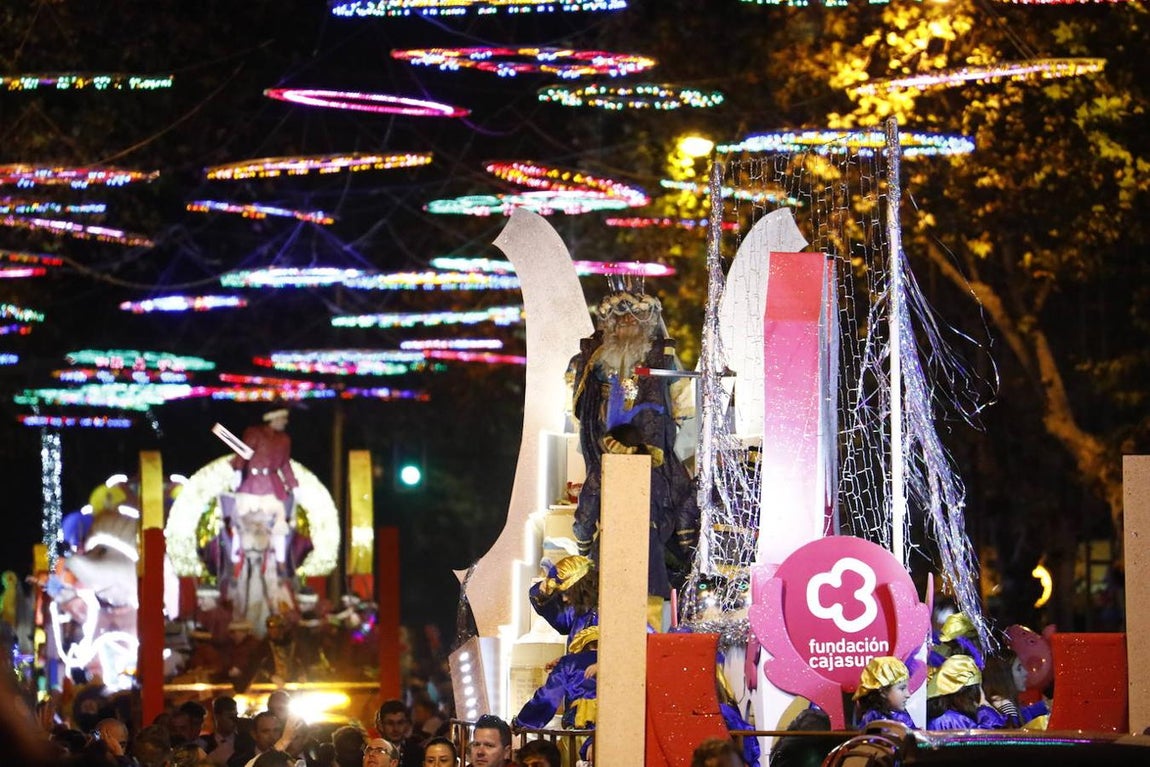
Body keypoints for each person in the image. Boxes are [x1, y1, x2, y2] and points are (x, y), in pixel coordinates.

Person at [568, 284, 699, 626]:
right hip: (605, 458)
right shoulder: (592, 361)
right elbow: (579, 410)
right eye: (619, 317)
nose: (626, 322)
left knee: (677, 502)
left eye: (634, 317)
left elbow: (684, 411)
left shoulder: (663, 358)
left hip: (652, 459)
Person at [228, 408, 299, 636]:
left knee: (280, 523)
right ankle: (236, 553)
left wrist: (293, 484)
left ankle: (279, 561)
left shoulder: (284, 439)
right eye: (281, 418)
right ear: (271, 418)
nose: (284, 422)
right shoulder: (254, 433)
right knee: (239, 522)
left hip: (271, 487)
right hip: (251, 487)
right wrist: (237, 474)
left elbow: (285, 464)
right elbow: (242, 456)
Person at [514, 625, 598, 730]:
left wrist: (520, 722)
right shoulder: (617, 665)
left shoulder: (568, 663)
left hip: (579, 728)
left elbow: (549, 697)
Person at [528, 556, 598, 653]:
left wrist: (565, 663)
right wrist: (542, 593)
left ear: (583, 587)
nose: (564, 599)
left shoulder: (602, 612)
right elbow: (562, 622)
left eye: (567, 594)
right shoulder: (583, 607)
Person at [926, 654, 1005, 730]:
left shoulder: (955, 716)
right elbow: (986, 739)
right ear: (971, 692)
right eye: (979, 688)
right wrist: (984, 706)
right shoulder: (947, 720)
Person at [852, 657, 916, 729]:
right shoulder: (875, 720)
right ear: (883, 691)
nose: (908, 695)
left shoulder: (900, 715)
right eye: (902, 688)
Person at [206, 696, 252, 767]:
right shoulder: (205, 744)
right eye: (230, 717)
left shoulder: (246, 742)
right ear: (217, 717)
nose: (235, 720)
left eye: (236, 716)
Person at [375, 700, 423, 767]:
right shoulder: (371, 753)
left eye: (400, 723)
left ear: (406, 724)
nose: (396, 729)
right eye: (390, 723)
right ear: (380, 726)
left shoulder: (418, 753)